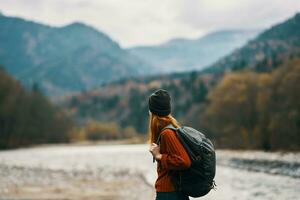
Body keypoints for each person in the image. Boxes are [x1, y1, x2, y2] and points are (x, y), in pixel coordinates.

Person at [148, 89, 191, 200]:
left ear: (152, 111)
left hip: (170, 194)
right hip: (171, 192)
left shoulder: (167, 133)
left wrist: (159, 156)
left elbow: (184, 161)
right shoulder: (168, 130)